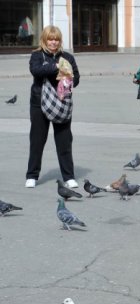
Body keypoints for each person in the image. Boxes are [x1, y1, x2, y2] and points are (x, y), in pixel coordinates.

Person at [26, 25, 80, 189]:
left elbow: (76, 78)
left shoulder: (68, 57)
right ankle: (32, 175)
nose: (53, 42)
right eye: (50, 39)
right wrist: (56, 67)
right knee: (37, 140)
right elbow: (36, 71)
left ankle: (69, 176)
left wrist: (68, 78)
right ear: (44, 39)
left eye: (56, 39)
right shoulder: (36, 55)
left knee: (64, 141)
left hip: (62, 103)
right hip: (39, 103)